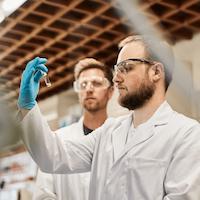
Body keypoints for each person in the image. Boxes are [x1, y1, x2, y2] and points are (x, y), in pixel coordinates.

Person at [18, 35, 200, 200]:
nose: (116, 79)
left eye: (126, 68)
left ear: (156, 72)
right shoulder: (109, 132)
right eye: (116, 70)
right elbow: (52, 156)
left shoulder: (187, 134)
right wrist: (28, 106)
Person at [32, 58, 114, 199]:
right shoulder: (58, 140)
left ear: (111, 91)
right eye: (83, 84)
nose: (88, 89)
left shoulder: (122, 137)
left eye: (96, 83)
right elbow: (43, 195)